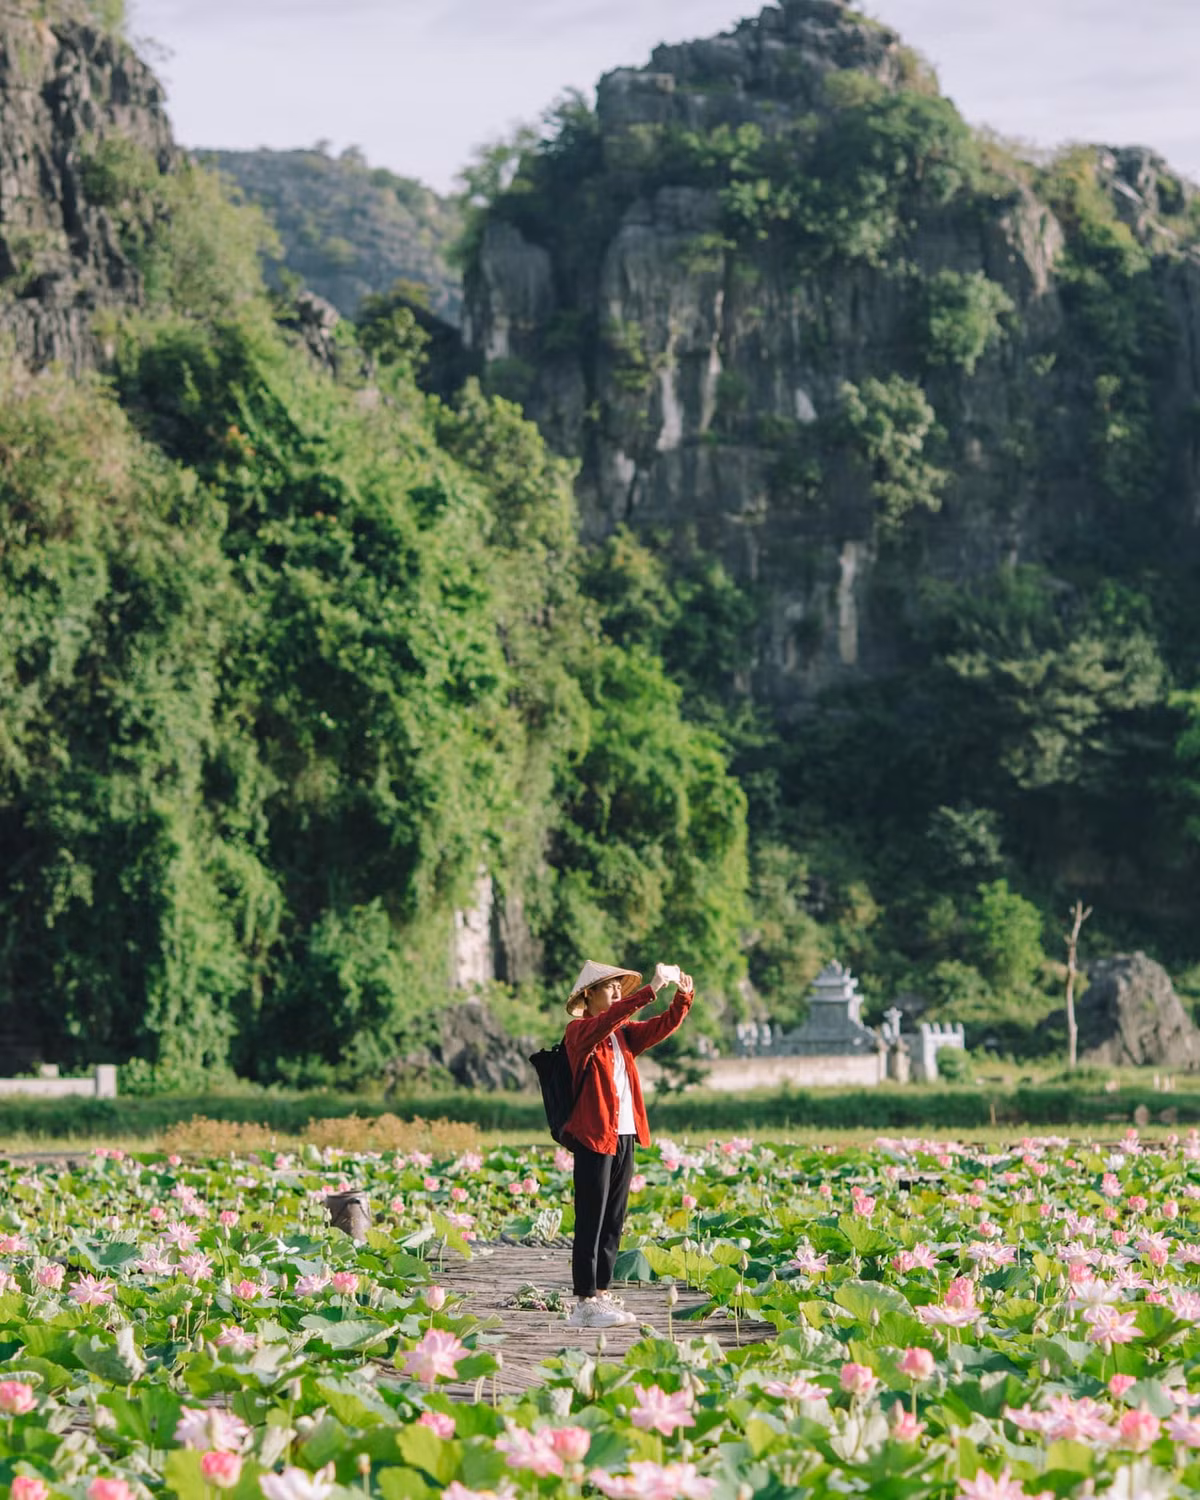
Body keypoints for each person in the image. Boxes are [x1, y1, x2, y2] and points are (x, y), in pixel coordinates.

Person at [560, 958, 694, 1329]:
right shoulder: (580, 1031)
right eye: (609, 987)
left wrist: (682, 999)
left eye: (620, 987)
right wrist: (649, 990)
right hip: (594, 1135)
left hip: (624, 1133)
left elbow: (660, 1027)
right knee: (591, 1216)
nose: (617, 992)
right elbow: (607, 1020)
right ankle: (583, 1301)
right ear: (588, 995)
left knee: (614, 1218)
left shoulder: (622, 1035)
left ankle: (601, 1293)